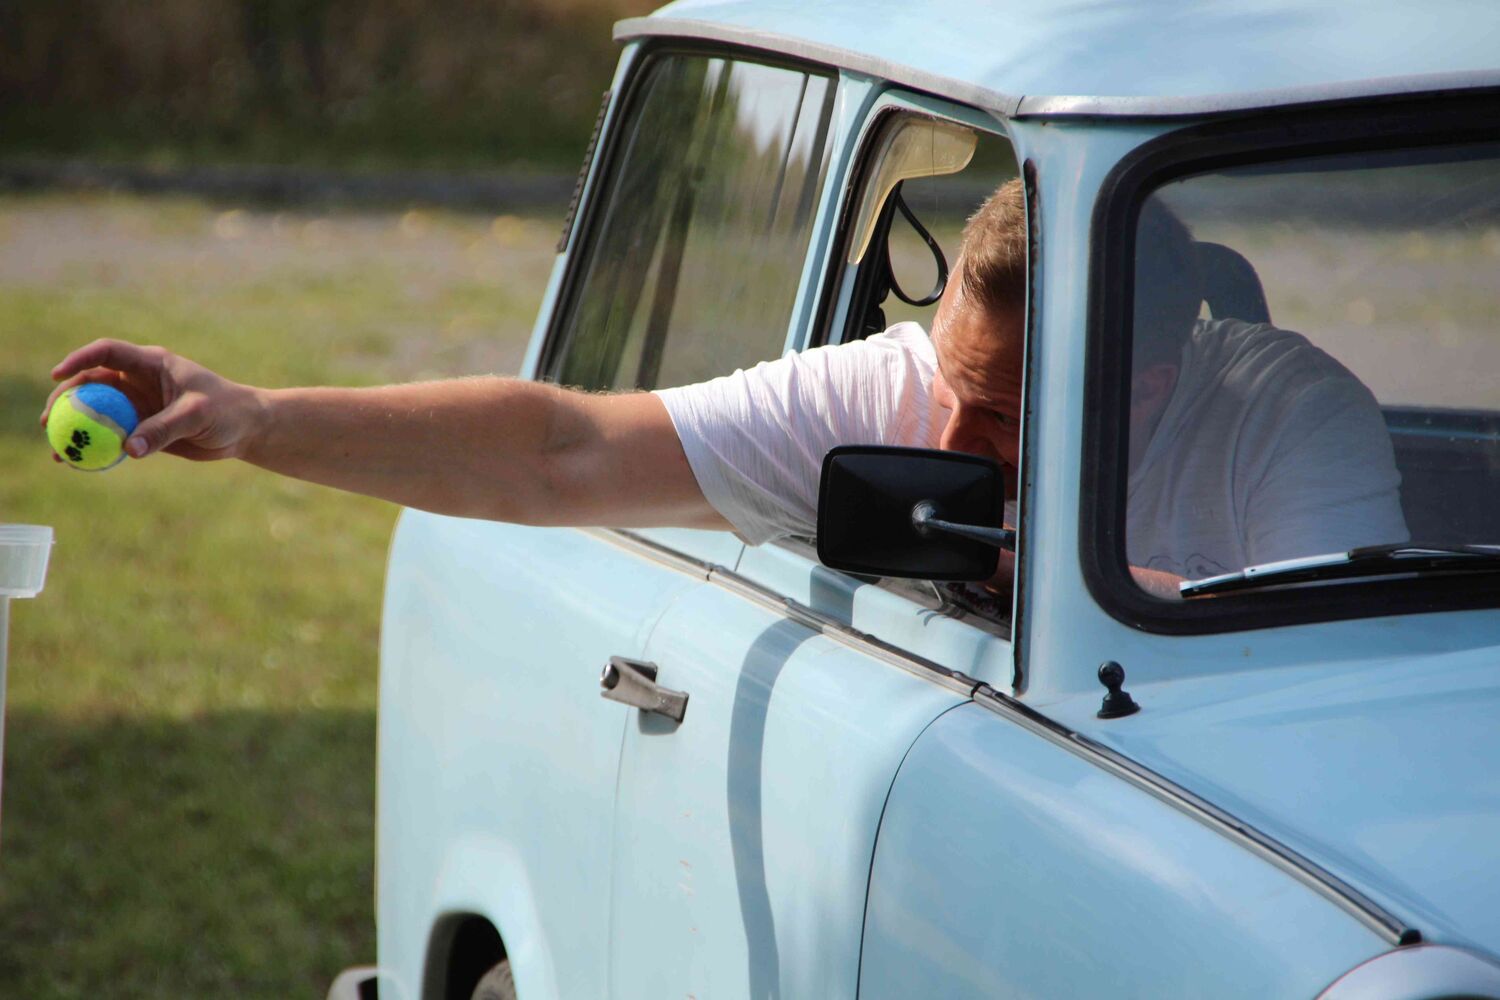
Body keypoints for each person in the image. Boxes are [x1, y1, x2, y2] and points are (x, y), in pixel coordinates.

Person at [41, 181, 1405, 598]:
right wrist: (257, 417)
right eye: (952, 380)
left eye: (1000, 415)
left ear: (1146, 388)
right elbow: (563, 449)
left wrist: (1028, 565)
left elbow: (1312, 679)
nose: (944, 432)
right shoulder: (886, 394)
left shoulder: (1294, 419)